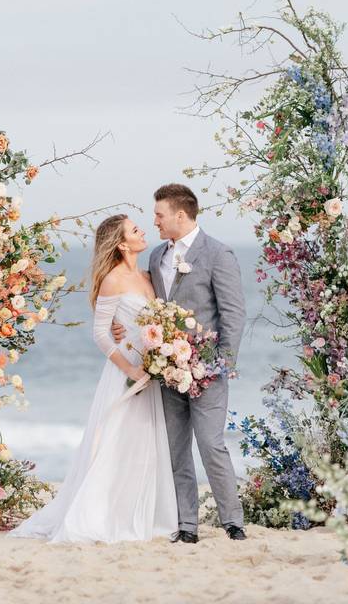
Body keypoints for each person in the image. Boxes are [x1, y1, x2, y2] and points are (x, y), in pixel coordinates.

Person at [8, 214, 177, 543]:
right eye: (134, 229)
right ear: (121, 243)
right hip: (127, 373)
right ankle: (103, 516)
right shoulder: (113, 280)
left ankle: (139, 514)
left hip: (150, 371)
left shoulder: (147, 275)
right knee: (117, 441)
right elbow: (101, 334)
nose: (142, 231)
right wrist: (131, 370)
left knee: (144, 446)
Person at [111, 183, 247, 543]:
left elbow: (233, 314)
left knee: (210, 443)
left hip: (207, 369)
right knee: (175, 448)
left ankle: (233, 521)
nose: (154, 221)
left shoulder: (219, 254)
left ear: (180, 215)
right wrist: (121, 327)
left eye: (159, 215)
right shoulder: (156, 257)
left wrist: (223, 363)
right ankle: (187, 525)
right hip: (167, 371)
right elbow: (146, 306)